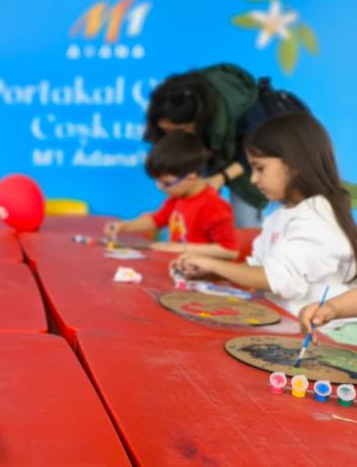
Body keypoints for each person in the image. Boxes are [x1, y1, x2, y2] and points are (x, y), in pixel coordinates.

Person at [173, 113, 357, 336]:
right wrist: (211, 273)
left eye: (260, 168)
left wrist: (214, 265)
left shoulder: (317, 216)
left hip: (325, 335)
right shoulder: (281, 215)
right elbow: (258, 270)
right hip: (286, 325)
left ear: (294, 165)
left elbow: (277, 279)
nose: (253, 179)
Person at [145, 64, 266, 227]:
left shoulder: (238, 109)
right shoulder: (169, 105)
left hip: (252, 153)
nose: (173, 136)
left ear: (197, 120)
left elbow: (254, 153)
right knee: (191, 209)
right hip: (213, 147)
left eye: (179, 130)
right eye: (166, 130)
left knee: (244, 218)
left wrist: (220, 178)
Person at [106, 131, 239, 259]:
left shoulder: (214, 206)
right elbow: (157, 220)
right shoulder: (178, 198)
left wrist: (176, 248)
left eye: (166, 183)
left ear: (191, 176)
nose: (159, 187)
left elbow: (229, 251)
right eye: (157, 181)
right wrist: (124, 226)